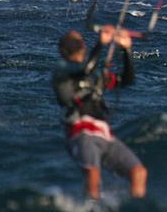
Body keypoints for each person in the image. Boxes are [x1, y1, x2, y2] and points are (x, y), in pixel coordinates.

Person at [52, 25, 147, 199]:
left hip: (104, 134)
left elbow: (127, 80)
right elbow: (85, 68)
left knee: (138, 172)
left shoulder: (93, 75)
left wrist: (126, 50)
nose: (80, 43)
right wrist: (101, 43)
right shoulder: (62, 69)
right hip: (81, 133)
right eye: (76, 40)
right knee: (94, 179)